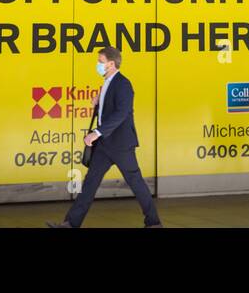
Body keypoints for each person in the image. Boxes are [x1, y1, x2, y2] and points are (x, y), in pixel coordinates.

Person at [47, 47, 162, 228]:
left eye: (100, 61)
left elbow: (122, 113)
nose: (98, 65)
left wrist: (96, 132)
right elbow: (109, 111)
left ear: (111, 63)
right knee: (90, 184)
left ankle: (154, 223)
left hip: (121, 145)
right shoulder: (107, 83)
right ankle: (70, 223)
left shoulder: (123, 84)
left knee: (136, 183)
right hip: (104, 145)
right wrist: (98, 104)